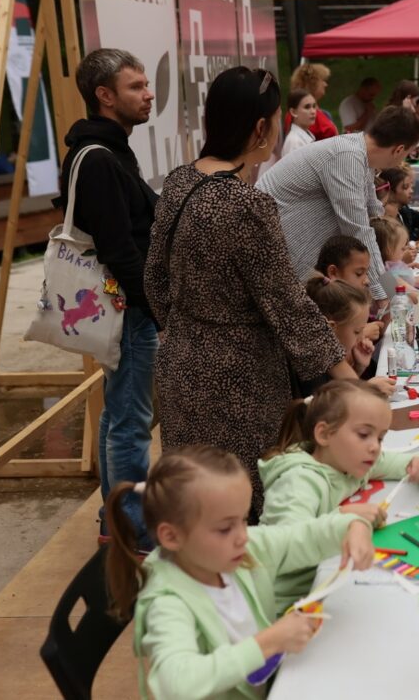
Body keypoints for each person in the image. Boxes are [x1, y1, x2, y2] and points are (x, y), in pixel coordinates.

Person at [146, 67, 358, 519]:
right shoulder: (245, 204)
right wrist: (349, 380)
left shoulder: (179, 183)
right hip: (238, 380)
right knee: (247, 506)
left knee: (196, 499)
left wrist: (190, 327)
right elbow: (287, 304)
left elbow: (155, 282)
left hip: (182, 368)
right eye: (277, 120)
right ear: (260, 127)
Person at [104, 445, 375, 699]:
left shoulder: (240, 549)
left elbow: (300, 536)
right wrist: (268, 642)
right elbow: (176, 682)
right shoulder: (168, 602)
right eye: (225, 528)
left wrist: (352, 526)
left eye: (244, 520)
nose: (242, 537)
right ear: (172, 537)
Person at [57, 48, 158, 548]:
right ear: (105, 96)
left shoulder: (110, 149)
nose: (148, 94)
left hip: (125, 308)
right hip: (129, 308)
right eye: (136, 87)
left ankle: (113, 521)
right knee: (129, 423)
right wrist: (153, 306)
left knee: (120, 414)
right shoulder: (97, 158)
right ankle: (130, 528)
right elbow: (120, 248)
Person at [259, 380, 419, 610]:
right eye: (364, 434)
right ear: (324, 434)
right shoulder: (298, 481)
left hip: (326, 587)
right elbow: (286, 546)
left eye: (380, 437)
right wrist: (345, 517)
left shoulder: (350, 459)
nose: (375, 446)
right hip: (282, 607)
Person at [257, 105, 419, 308]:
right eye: (407, 153)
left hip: (285, 248)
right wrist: (385, 296)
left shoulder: (358, 154)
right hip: (277, 253)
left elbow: (374, 217)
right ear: (399, 149)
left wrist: (397, 286)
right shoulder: (347, 157)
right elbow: (358, 231)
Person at [303, 274, 395, 397]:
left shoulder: (330, 357)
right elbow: (330, 408)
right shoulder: (314, 366)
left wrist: (359, 368)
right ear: (330, 328)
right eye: (357, 331)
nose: (363, 337)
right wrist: (367, 388)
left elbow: (342, 389)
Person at [315, 236, 383, 344]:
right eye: (359, 273)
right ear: (333, 272)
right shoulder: (320, 309)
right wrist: (362, 333)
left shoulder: (355, 300)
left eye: (367, 273)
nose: (367, 280)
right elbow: (322, 348)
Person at [370, 216, 419, 298]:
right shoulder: (387, 277)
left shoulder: (381, 271)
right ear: (388, 250)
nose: (407, 249)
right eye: (403, 248)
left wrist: (413, 281)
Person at [285, 63, 337, 141]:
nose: (325, 84)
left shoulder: (318, 112)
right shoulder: (298, 116)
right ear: (312, 83)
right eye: (322, 80)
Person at [282, 88, 316, 157]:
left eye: (314, 106)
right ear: (293, 112)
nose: (313, 111)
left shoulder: (306, 135)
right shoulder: (294, 142)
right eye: (307, 107)